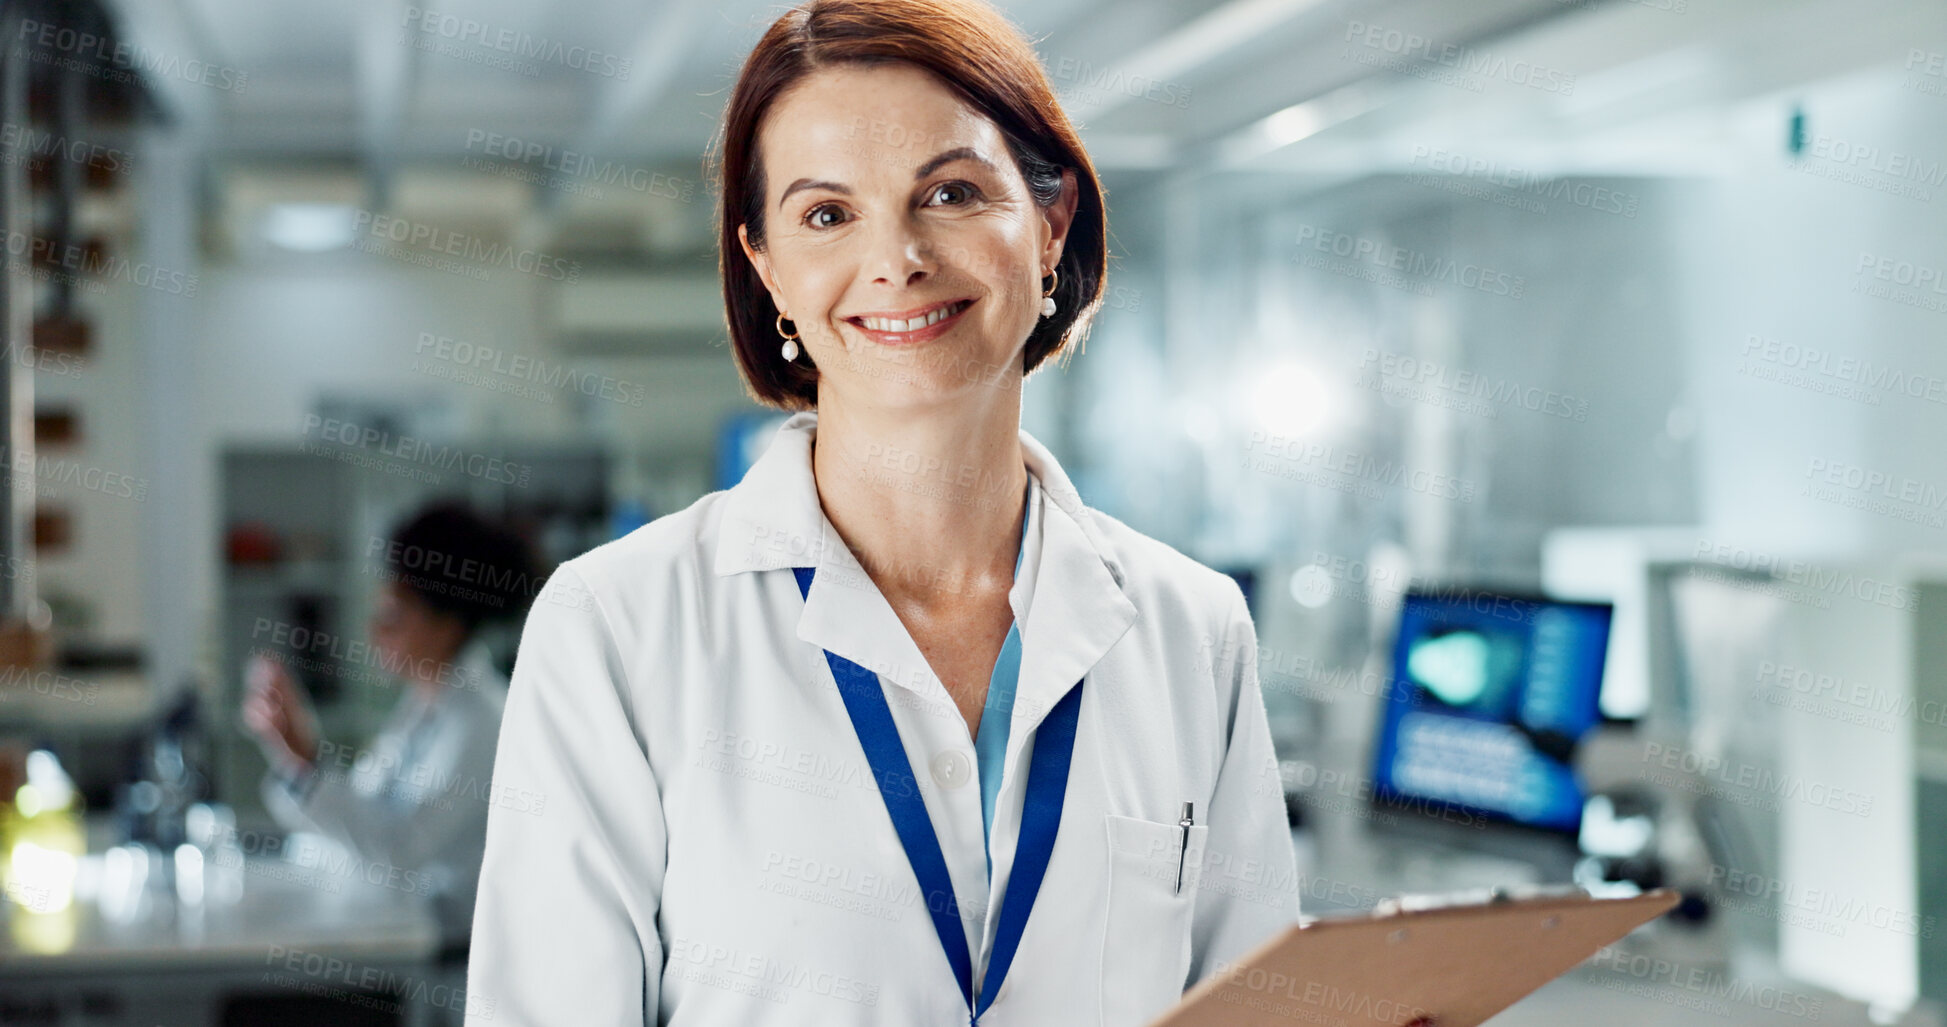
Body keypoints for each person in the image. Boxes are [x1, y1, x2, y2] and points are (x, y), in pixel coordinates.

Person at [466, 0, 1299, 1023]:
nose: (896, 256)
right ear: (767, 266)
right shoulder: (617, 629)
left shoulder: (1194, 632)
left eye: (950, 192)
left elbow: (1267, 1003)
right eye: (826, 214)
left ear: (1050, 224)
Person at [242, 500, 537, 953]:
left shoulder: (481, 721)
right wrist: (298, 756)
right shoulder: (428, 703)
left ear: (448, 624)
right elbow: (365, 815)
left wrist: (303, 762)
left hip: (448, 958)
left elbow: (399, 852)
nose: (375, 631)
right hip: (395, 924)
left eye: (393, 615)